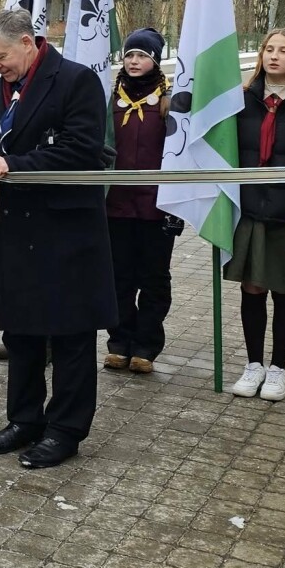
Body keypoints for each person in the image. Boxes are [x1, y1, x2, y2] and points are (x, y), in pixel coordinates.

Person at [0, 8, 116, 469]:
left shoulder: (75, 81)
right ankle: (24, 419)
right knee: (22, 331)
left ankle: (65, 430)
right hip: (18, 227)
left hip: (66, 229)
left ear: (28, 42)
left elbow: (81, 149)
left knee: (70, 335)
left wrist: (13, 165)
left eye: (1, 57)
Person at [224, 28, 285, 402]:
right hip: (251, 212)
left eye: (283, 50)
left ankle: (279, 368)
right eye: (269, 49)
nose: (274, 56)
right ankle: (254, 364)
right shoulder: (241, 101)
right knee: (252, 289)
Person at [103, 28, 182, 375]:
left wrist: (177, 205)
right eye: (130, 54)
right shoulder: (110, 101)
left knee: (153, 278)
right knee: (118, 277)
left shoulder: (169, 102)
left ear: (155, 60)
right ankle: (119, 341)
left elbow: (181, 155)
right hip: (115, 206)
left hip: (155, 207)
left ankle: (146, 345)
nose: (134, 61)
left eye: (143, 55)